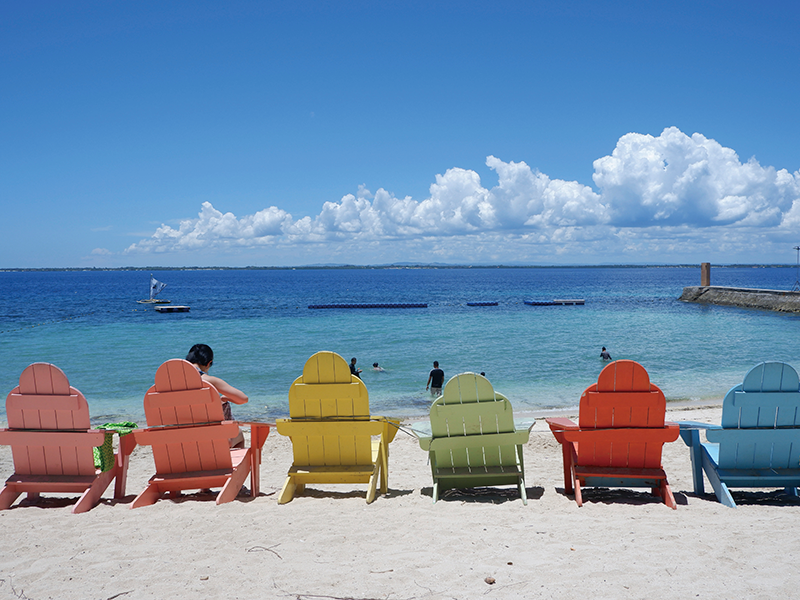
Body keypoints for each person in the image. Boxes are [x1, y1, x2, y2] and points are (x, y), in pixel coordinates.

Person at [185, 344, 248, 448]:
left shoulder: (169, 384)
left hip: (180, 442)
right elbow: (243, 399)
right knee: (238, 433)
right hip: (211, 441)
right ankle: (228, 464)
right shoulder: (207, 380)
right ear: (208, 363)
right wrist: (225, 398)